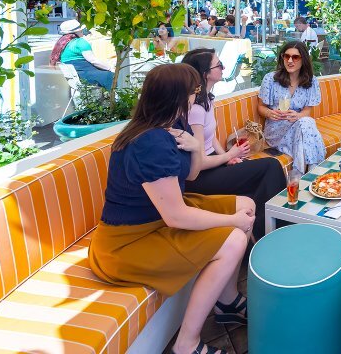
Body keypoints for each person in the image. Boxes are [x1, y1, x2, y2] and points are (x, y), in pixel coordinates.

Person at [88, 64, 253, 354]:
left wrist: (194, 148)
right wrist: (232, 221)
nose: (197, 96)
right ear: (178, 96)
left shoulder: (175, 124)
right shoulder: (150, 142)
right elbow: (176, 215)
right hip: (128, 242)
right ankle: (186, 344)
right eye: (194, 91)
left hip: (158, 219)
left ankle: (227, 301)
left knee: (247, 205)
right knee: (235, 237)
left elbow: (190, 176)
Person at [182, 48, 286, 238]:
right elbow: (197, 163)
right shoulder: (195, 109)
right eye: (219, 65)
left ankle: (263, 231)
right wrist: (229, 155)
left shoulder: (206, 100)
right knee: (271, 166)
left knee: (264, 174)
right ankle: (270, 233)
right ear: (205, 74)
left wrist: (227, 159)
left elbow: (210, 137)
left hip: (213, 164)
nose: (223, 68)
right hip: (198, 177)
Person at [258, 41, 326, 171]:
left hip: (298, 126)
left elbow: (307, 111)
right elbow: (261, 107)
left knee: (306, 122)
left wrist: (298, 116)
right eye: (286, 56)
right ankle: (315, 173)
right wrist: (270, 113)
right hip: (276, 130)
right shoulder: (271, 79)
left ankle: (300, 172)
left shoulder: (312, 82)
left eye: (295, 57)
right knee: (307, 124)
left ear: (303, 59)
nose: (290, 61)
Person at [50, 19, 115, 88]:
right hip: (85, 76)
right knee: (110, 75)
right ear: (78, 31)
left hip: (75, 79)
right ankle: (114, 97)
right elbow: (93, 61)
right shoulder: (80, 42)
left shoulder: (61, 44)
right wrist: (109, 68)